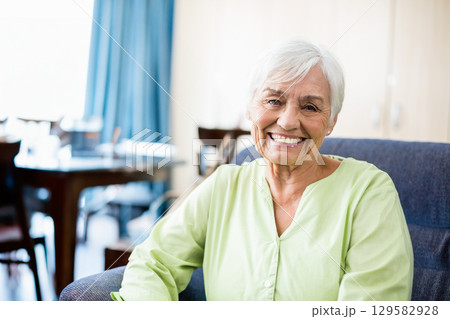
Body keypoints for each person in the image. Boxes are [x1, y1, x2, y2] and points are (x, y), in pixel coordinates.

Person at [112, 39, 413, 301]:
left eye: (310, 107)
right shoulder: (224, 185)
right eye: (273, 100)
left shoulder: (369, 193)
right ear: (250, 109)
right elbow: (153, 262)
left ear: (331, 120)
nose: (288, 121)